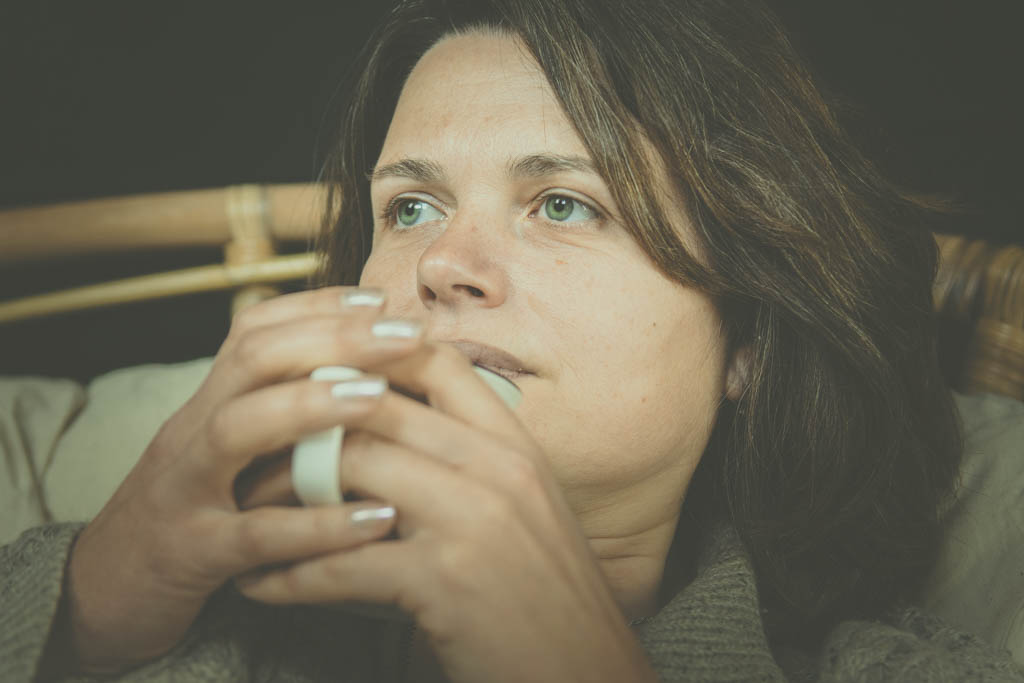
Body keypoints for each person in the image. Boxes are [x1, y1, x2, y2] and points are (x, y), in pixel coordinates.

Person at [2, 0, 1022, 680]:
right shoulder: (198, 623)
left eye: (566, 204)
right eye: (406, 208)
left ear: (748, 338)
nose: (443, 261)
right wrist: (83, 604)